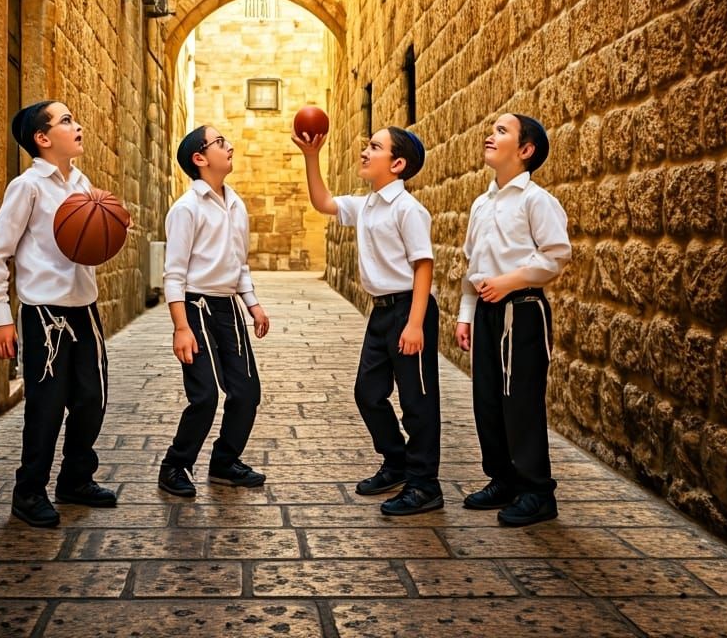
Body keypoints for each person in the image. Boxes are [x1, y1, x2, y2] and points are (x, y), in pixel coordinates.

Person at [0, 100, 117, 528]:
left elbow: (89, 242)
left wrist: (114, 227)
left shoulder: (82, 183)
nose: (77, 126)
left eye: (74, 118)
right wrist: (0, 316)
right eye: (66, 121)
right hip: (43, 315)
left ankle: (76, 479)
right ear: (42, 139)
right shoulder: (28, 187)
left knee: (92, 400)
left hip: (84, 309)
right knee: (46, 407)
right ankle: (29, 491)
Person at [293, 124, 442, 516]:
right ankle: (397, 462)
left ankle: (425, 485)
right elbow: (323, 201)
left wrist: (415, 323)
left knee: (417, 401)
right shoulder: (368, 204)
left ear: (396, 163)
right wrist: (312, 156)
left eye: (374, 147)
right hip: (380, 312)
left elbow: (423, 266)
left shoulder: (409, 210)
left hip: (411, 310)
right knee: (367, 392)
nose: (364, 151)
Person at [455, 113, 571, 527]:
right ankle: (502, 478)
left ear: (525, 151)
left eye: (502, 131)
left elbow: (556, 254)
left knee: (520, 401)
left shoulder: (536, 201)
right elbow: (472, 263)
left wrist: (509, 281)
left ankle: (537, 491)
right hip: (487, 311)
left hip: (522, 311)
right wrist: (466, 314)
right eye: (492, 129)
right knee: (486, 399)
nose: (490, 135)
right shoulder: (481, 204)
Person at [157, 125, 271, 498]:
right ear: (200, 158)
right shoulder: (186, 209)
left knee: (246, 391)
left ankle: (225, 461)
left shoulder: (236, 204)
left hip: (228, 308)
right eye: (221, 142)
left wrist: (252, 305)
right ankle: (175, 464)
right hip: (195, 307)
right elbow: (173, 273)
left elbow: (239, 264)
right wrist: (181, 327)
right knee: (204, 395)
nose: (230, 145)